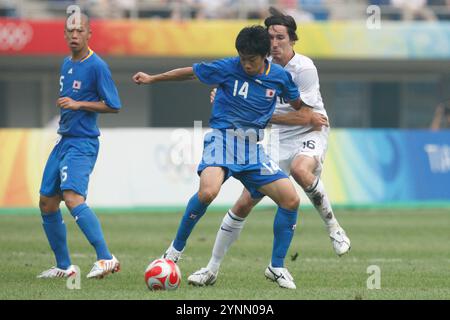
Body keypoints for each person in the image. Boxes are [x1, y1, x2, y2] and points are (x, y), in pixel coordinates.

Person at [133, 25, 328, 289]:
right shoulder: (227, 67)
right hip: (223, 139)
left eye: (251, 60)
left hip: (253, 149)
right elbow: (189, 73)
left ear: (264, 56)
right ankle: (174, 251)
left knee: (291, 200)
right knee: (208, 193)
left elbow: (300, 108)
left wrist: (310, 117)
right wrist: (152, 79)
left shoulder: (280, 77)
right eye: (242, 58)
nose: (246, 64)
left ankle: (277, 266)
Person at [187, 7, 351, 287]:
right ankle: (211, 268)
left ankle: (333, 227)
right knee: (244, 202)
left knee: (301, 170)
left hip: (307, 133)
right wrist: (230, 99)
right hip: (275, 138)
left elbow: (306, 117)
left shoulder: (303, 69)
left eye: (280, 38)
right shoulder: (256, 67)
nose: (274, 44)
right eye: (271, 38)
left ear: (292, 41)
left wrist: (247, 113)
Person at [37, 13, 122, 279]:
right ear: (65, 34)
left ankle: (106, 258)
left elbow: (114, 105)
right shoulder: (66, 63)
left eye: (80, 31)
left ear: (89, 34)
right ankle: (65, 267)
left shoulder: (97, 66)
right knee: (47, 203)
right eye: (70, 31)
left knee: (73, 198)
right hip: (63, 140)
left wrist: (78, 105)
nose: (75, 35)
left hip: (83, 142)